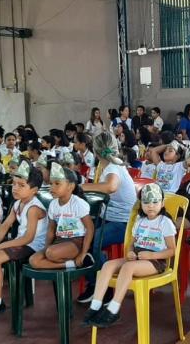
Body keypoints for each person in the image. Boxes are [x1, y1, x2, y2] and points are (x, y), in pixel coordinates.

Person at [82, 183, 177, 327]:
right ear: (141, 204)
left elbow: (172, 250)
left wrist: (151, 256)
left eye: (155, 202)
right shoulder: (139, 221)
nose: (150, 206)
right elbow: (132, 243)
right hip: (136, 258)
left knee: (127, 268)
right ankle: (95, 306)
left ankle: (113, 310)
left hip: (155, 262)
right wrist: (130, 252)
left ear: (162, 203)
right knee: (107, 265)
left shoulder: (165, 223)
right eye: (146, 202)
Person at [0, 161, 48, 322]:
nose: (15, 188)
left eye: (21, 185)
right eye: (14, 184)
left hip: (34, 246)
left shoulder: (34, 208)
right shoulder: (17, 203)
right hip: (20, 242)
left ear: (34, 190)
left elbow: (28, 238)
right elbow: (4, 226)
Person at [78, 132, 137, 303]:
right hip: (110, 217)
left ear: (95, 152)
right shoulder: (108, 166)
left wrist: (82, 187)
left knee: (91, 241)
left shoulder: (113, 167)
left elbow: (110, 187)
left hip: (124, 222)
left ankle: (102, 288)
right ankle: (96, 282)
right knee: (81, 235)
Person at [29, 164, 94, 270]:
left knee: (51, 254)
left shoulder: (78, 203)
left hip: (75, 242)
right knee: (34, 260)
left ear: (71, 186)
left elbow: (90, 228)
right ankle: (71, 264)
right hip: (59, 241)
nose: (52, 187)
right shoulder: (53, 204)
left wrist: (83, 252)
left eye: (57, 184)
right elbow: (51, 229)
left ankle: (83, 257)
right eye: (51, 184)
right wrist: (46, 248)